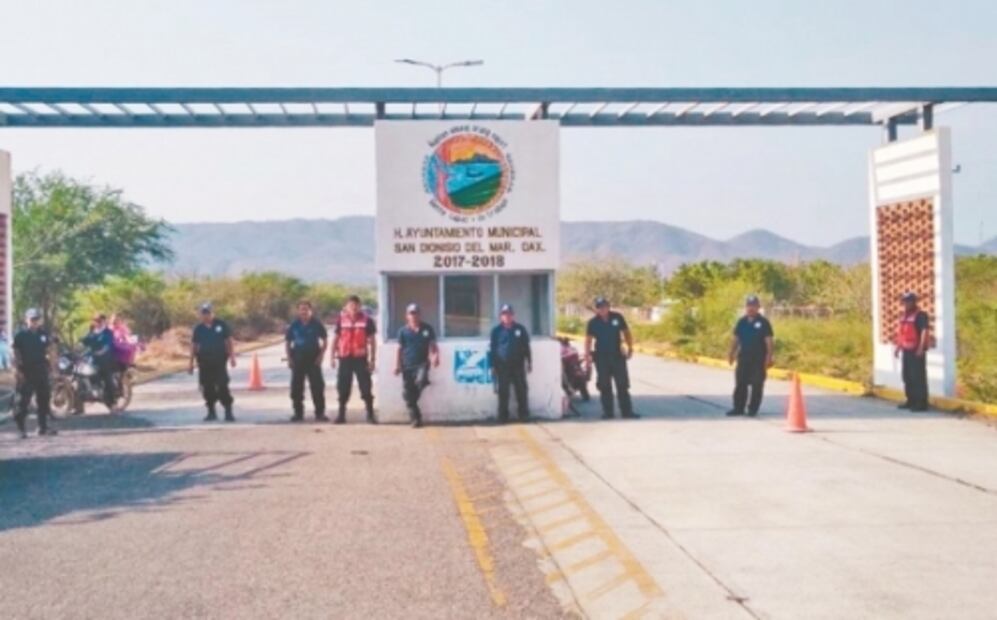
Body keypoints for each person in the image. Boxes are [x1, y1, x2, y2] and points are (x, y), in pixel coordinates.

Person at [584, 297, 638, 420]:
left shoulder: (617, 317)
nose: (602, 309)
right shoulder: (593, 322)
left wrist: (630, 347)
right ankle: (608, 412)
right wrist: (587, 356)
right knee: (604, 385)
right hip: (601, 357)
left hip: (617, 356)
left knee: (622, 384)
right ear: (596, 309)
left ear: (608, 306)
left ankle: (627, 412)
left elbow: (626, 332)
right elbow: (588, 340)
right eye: (599, 307)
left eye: (604, 306)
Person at [331, 295, 377, 424]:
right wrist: (332, 358)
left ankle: (370, 414)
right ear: (346, 307)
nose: (354, 307)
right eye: (351, 305)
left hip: (360, 358)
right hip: (344, 358)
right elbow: (335, 339)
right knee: (343, 387)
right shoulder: (341, 320)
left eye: (356, 305)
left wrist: (373, 360)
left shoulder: (367, 320)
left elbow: (372, 341)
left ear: (360, 306)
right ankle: (341, 415)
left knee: (366, 387)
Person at [726, 295, 774, 417]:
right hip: (743, 358)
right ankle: (738, 408)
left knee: (757, 385)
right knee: (740, 384)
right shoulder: (741, 322)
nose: (751, 308)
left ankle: (752, 409)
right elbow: (736, 339)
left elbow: (768, 341)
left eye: (753, 306)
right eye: (749, 306)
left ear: (758, 307)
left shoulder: (763, 323)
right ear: (746, 307)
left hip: (758, 360)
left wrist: (769, 356)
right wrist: (731, 353)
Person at [12, 309, 56, 438]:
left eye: (36, 319)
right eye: (32, 319)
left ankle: (42, 427)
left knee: (43, 399)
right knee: (22, 401)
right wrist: (16, 370)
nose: (34, 322)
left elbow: (49, 350)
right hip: (26, 371)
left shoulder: (43, 334)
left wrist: (53, 368)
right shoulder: (20, 335)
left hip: (41, 370)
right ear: (26, 320)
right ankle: (21, 429)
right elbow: (15, 353)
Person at [189, 303, 236, 422]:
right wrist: (190, 363)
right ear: (200, 315)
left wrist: (232, 357)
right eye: (203, 313)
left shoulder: (221, 325)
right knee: (207, 388)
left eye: (208, 313)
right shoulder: (198, 329)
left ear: (212, 313)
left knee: (222, 386)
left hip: (219, 361)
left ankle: (228, 411)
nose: (206, 316)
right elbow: (194, 345)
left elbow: (229, 341)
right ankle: (211, 411)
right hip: (204, 362)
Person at [395, 303, 439, 428]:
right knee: (408, 394)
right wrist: (397, 366)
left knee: (421, 381)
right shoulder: (402, 331)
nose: (414, 316)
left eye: (416, 313)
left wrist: (435, 356)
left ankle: (421, 385)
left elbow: (432, 345)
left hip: (422, 363)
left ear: (420, 315)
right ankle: (416, 419)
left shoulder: (427, 328)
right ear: (407, 316)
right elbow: (399, 349)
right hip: (407, 365)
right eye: (411, 314)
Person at [286, 300, 328, 422]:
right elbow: (288, 342)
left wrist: (321, 356)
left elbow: (325, 340)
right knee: (296, 388)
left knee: (317, 387)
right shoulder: (294, 325)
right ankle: (298, 413)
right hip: (298, 359)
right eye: (301, 309)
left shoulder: (316, 324)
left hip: (313, 359)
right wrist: (289, 358)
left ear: (311, 311)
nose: (304, 311)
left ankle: (320, 413)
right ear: (298, 311)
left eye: (306, 309)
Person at [489, 304, 532, 423]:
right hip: (502, 366)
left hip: (518, 365)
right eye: (504, 314)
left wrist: (529, 362)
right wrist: (492, 365)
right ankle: (503, 416)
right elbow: (493, 349)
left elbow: (526, 347)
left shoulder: (520, 329)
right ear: (501, 316)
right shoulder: (496, 331)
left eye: (509, 314)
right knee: (503, 391)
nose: (507, 316)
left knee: (521, 390)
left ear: (513, 315)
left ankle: (523, 414)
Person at [894, 291, 930, 412]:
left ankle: (921, 403)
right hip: (906, 350)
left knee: (917, 378)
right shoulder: (904, 315)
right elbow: (901, 333)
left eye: (908, 301)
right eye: (904, 302)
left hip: (916, 350)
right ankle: (911, 401)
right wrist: (898, 348)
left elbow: (924, 331)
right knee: (907, 377)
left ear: (914, 302)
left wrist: (921, 348)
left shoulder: (920, 315)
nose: (906, 304)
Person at [82, 314, 118, 412]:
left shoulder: (107, 332)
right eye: (95, 320)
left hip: (105, 359)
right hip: (92, 358)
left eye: (99, 321)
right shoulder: (92, 331)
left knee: (107, 380)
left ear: (103, 321)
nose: (97, 323)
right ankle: (79, 405)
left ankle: (113, 402)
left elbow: (108, 345)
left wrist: (101, 352)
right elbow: (85, 340)